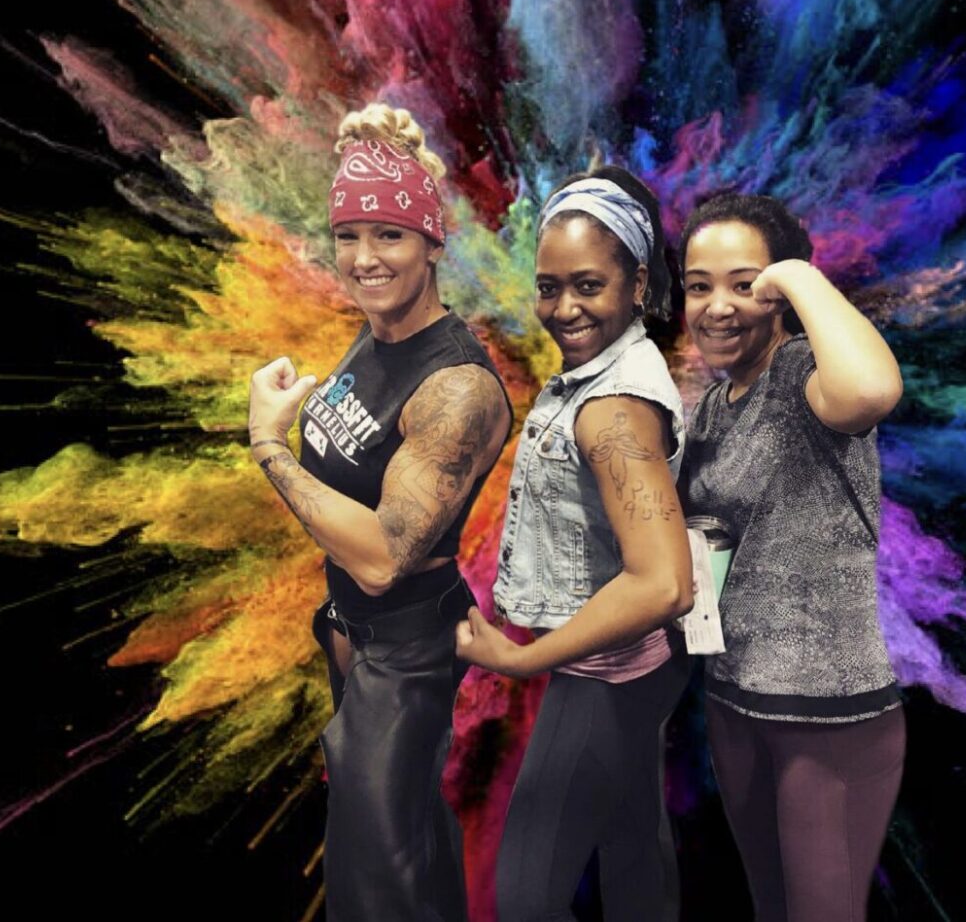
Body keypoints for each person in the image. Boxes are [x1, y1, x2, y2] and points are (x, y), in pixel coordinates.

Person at [247, 103, 512, 921]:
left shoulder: (457, 388)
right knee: (403, 861)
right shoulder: (375, 335)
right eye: (350, 235)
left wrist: (270, 445)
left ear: (433, 244)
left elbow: (384, 553)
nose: (365, 259)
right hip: (355, 640)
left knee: (376, 889)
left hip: (406, 655)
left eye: (390, 236)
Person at [453, 165, 695, 921]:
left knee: (524, 896)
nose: (564, 308)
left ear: (638, 285)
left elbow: (663, 583)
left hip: (605, 675)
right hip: (635, 669)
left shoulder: (612, 406)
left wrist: (522, 658)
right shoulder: (605, 375)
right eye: (550, 286)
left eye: (588, 285)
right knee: (634, 866)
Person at [678, 192, 906, 922]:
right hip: (735, 704)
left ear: (778, 290)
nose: (717, 306)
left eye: (743, 284)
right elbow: (704, 549)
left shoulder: (806, 369)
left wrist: (799, 279)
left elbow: (872, 389)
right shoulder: (715, 407)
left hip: (828, 718)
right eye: (698, 285)